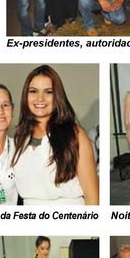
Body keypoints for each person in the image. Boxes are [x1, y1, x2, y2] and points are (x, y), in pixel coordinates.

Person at [10, 65, 98, 205]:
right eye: (33, 91)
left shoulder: (74, 135)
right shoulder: (19, 139)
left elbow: (92, 197)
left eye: (48, 92)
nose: (40, 98)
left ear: (57, 96)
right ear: (25, 96)